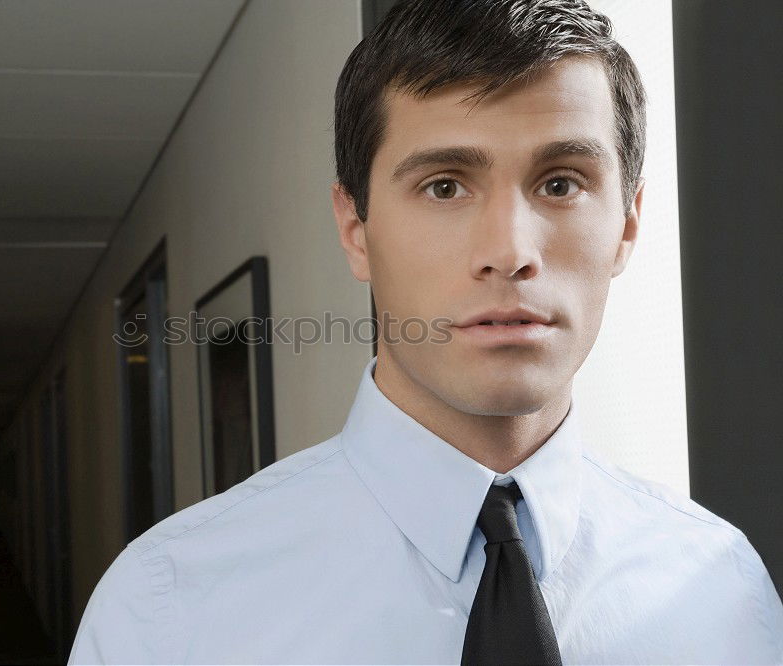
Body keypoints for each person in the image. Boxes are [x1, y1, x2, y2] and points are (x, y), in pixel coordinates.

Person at [68, 0, 783, 663]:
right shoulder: (167, 612)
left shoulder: (724, 589)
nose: (509, 250)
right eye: (444, 186)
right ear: (355, 229)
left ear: (627, 225)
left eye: (561, 182)